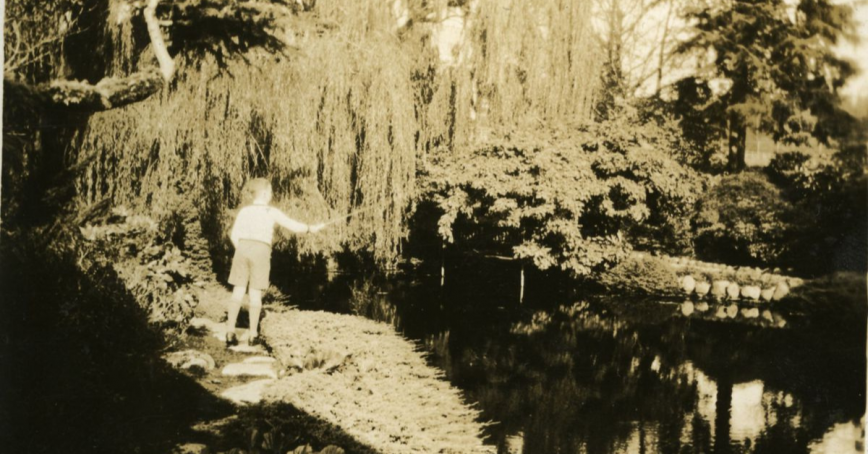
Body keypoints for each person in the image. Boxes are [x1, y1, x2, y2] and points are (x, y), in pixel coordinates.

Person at [225, 178, 326, 346]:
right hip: (261, 250)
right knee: (255, 293)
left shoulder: (244, 211)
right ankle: (252, 334)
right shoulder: (270, 212)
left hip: (242, 248)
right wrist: (310, 228)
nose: (272, 194)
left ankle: (229, 332)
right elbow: (293, 225)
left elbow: (233, 234)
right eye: (270, 192)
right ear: (264, 193)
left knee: (238, 290)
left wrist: (242, 248)